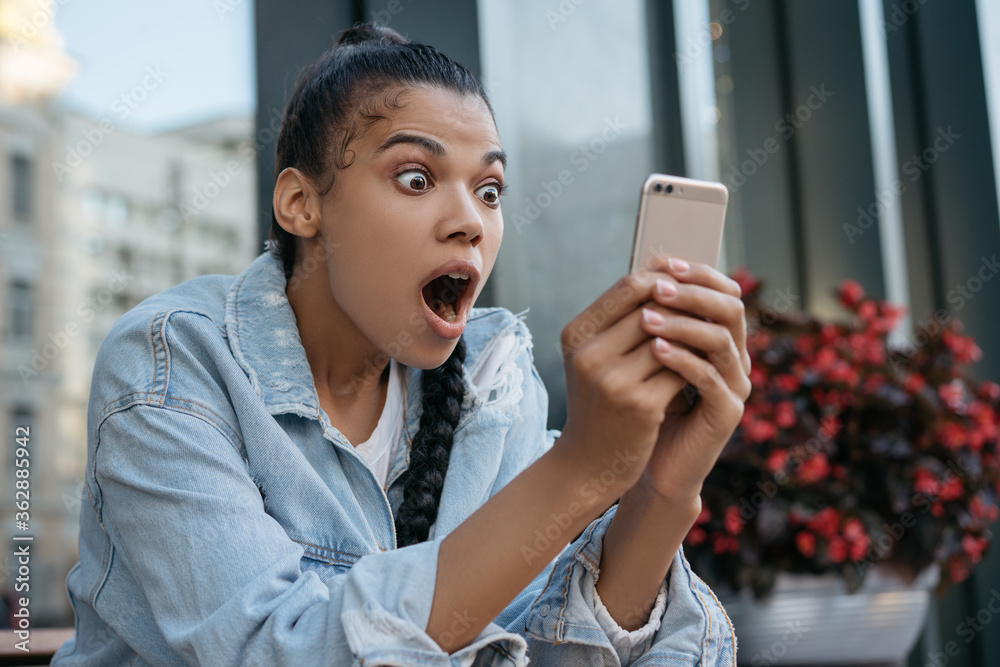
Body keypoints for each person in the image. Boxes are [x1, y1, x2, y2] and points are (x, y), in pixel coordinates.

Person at [53, 22, 750, 666]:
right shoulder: (170, 363)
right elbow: (273, 649)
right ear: (301, 204)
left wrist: (661, 485)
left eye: (490, 189)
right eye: (416, 178)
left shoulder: (495, 382)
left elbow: (544, 652)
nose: (471, 222)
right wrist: (580, 471)